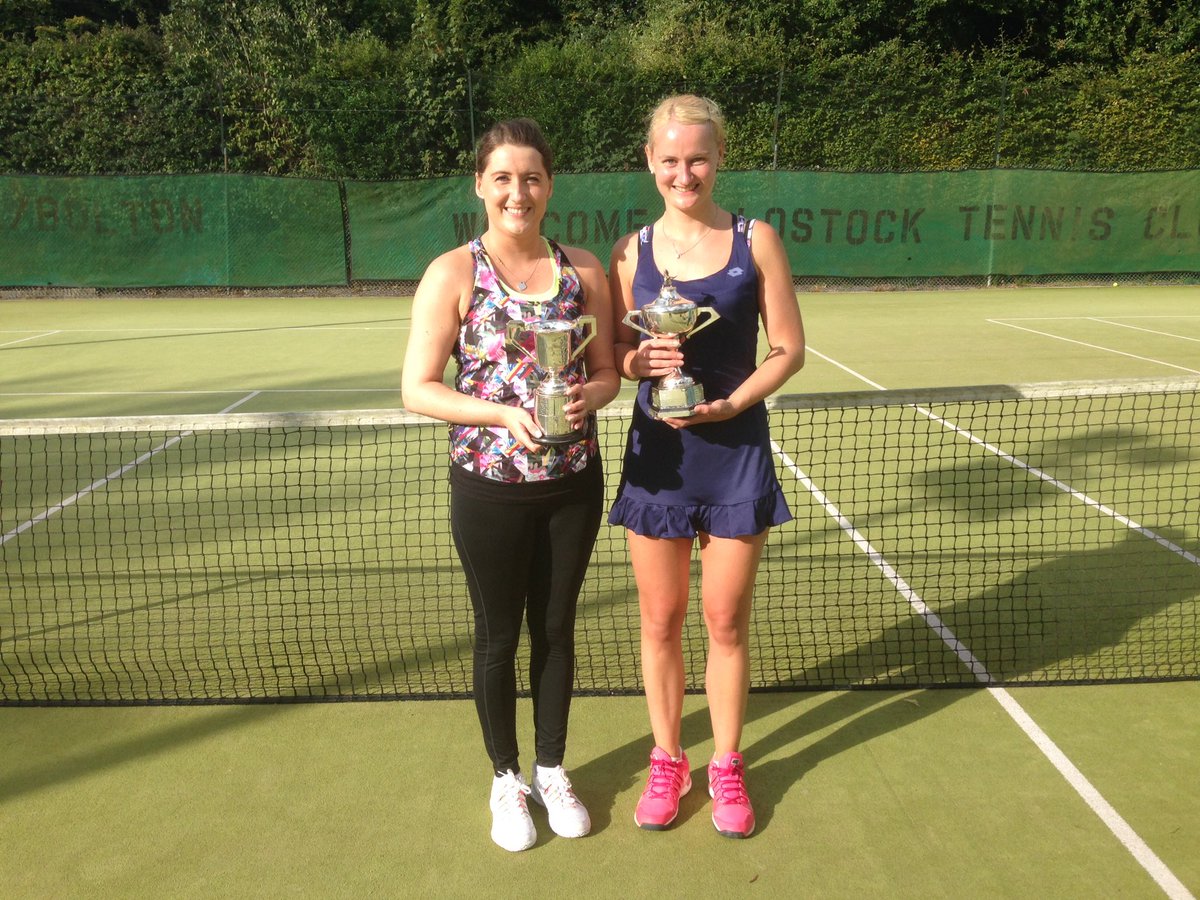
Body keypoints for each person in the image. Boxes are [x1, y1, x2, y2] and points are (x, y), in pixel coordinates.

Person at [402, 118, 619, 852]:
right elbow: (417, 389)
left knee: (555, 630)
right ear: (480, 185)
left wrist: (595, 395)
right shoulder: (451, 273)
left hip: (572, 485)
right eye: (502, 177)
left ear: (549, 186)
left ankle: (553, 768)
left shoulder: (585, 270)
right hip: (488, 488)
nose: (517, 192)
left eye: (530, 177)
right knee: (499, 636)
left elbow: (608, 371)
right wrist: (499, 411)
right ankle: (507, 780)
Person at [607, 95, 806, 839]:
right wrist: (637, 359)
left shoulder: (757, 239)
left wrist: (731, 404)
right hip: (657, 458)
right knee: (659, 621)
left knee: (725, 621)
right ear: (650, 163)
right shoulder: (629, 252)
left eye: (697, 158)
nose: (683, 173)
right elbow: (618, 361)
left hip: (735, 453)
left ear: (718, 158)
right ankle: (668, 759)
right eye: (670, 160)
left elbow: (788, 346)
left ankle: (725, 764)